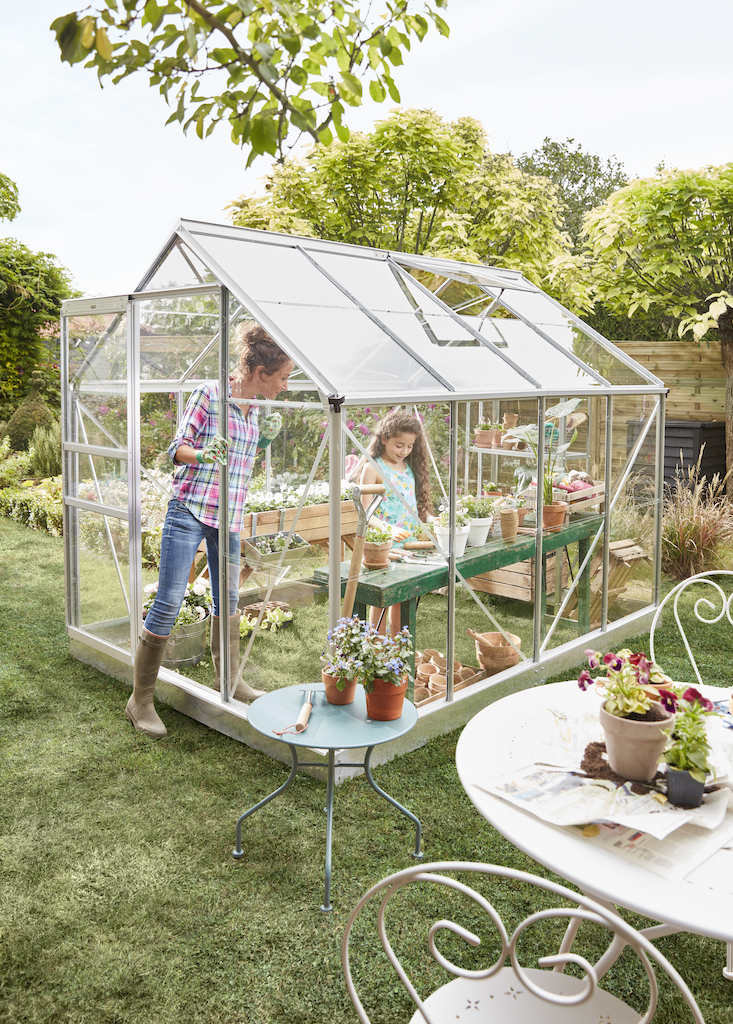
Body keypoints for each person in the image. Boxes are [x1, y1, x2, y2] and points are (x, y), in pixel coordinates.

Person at [125, 323, 294, 738]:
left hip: (229, 517)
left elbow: (240, 462)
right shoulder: (210, 394)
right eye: (284, 378)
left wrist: (264, 442)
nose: (286, 387)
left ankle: (230, 681)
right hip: (189, 510)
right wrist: (201, 453)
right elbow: (175, 450)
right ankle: (140, 700)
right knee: (168, 600)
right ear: (260, 373)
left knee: (228, 599)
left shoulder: (257, 409)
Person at [359, 410, 432, 635]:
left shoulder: (408, 467)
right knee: (381, 599)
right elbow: (365, 513)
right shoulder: (373, 468)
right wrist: (387, 528)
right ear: (384, 439)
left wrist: (430, 518)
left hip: (407, 544)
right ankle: (376, 647)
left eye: (410, 446)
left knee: (402, 599)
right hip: (383, 546)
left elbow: (415, 505)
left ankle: (397, 649)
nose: (404, 451)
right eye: (399, 445)